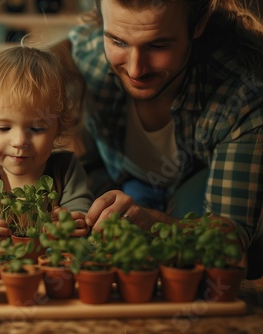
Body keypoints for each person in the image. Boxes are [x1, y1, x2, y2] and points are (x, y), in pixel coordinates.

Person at [50, 0, 263, 278]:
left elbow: (230, 238)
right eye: (118, 41)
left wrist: (152, 222)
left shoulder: (242, 96)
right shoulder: (90, 56)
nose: (136, 70)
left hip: (194, 190)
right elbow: (62, 51)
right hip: (119, 178)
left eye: (158, 46)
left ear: (198, 24)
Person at [0, 46, 94, 257]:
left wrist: (73, 222)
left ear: (58, 126)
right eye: (4, 128)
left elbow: (84, 214)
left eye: (37, 128)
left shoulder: (67, 169)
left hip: (56, 272)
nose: (20, 141)